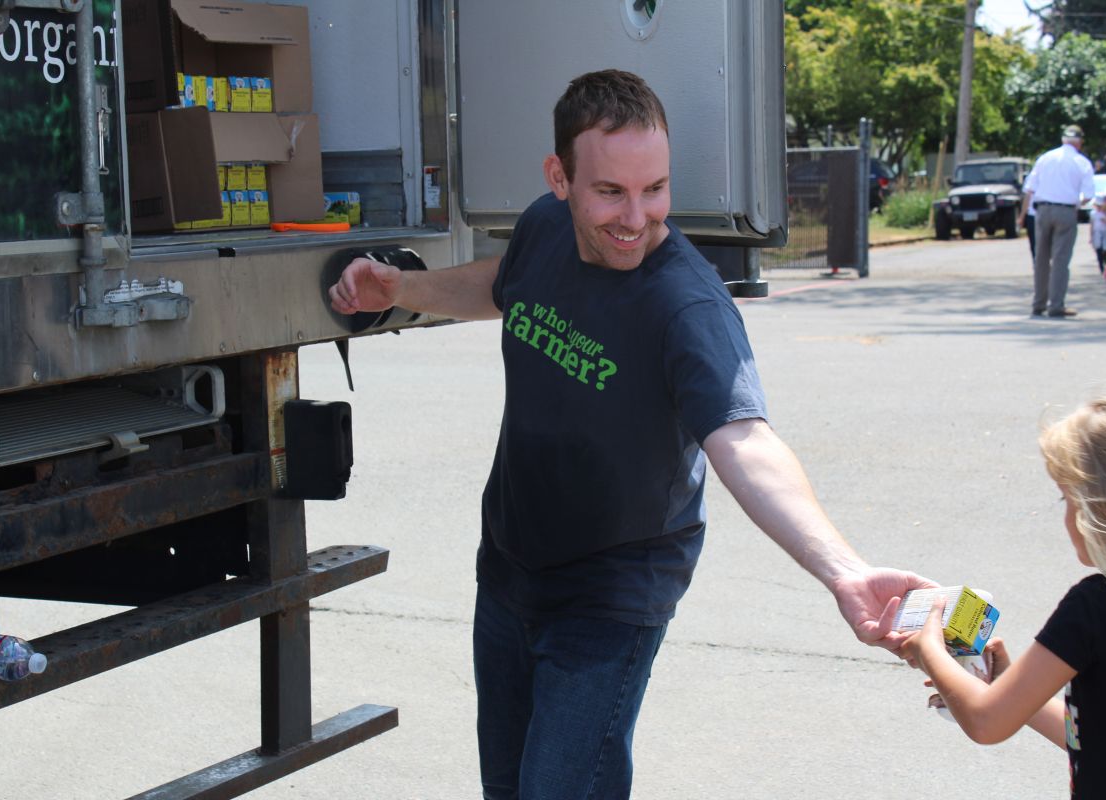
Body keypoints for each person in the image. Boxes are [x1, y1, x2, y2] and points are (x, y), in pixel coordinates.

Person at [328, 69, 932, 799]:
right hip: (512, 566)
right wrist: (405, 290)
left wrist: (843, 570)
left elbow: (745, 441)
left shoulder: (685, 306)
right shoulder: (543, 228)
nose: (637, 218)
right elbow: (504, 284)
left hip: (613, 590)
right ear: (560, 178)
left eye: (656, 190)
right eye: (610, 191)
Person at [900, 384, 1106, 799]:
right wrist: (1011, 687)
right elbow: (1103, 740)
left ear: (1101, 510)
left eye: (1067, 498)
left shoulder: (1098, 605)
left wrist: (929, 648)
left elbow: (987, 723)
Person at [1018, 125, 1096, 318]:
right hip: (1066, 211)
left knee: (1041, 259)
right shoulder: (1082, 162)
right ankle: (1056, 305)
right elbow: (1088, 195)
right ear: (1080, 142)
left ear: (1063, 140)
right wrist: (1075, 203)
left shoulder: (1045, 158)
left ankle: (1038, 303)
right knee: (1060, 260)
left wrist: (1022, 216)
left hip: (1042, 210)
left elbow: (1029, 189)